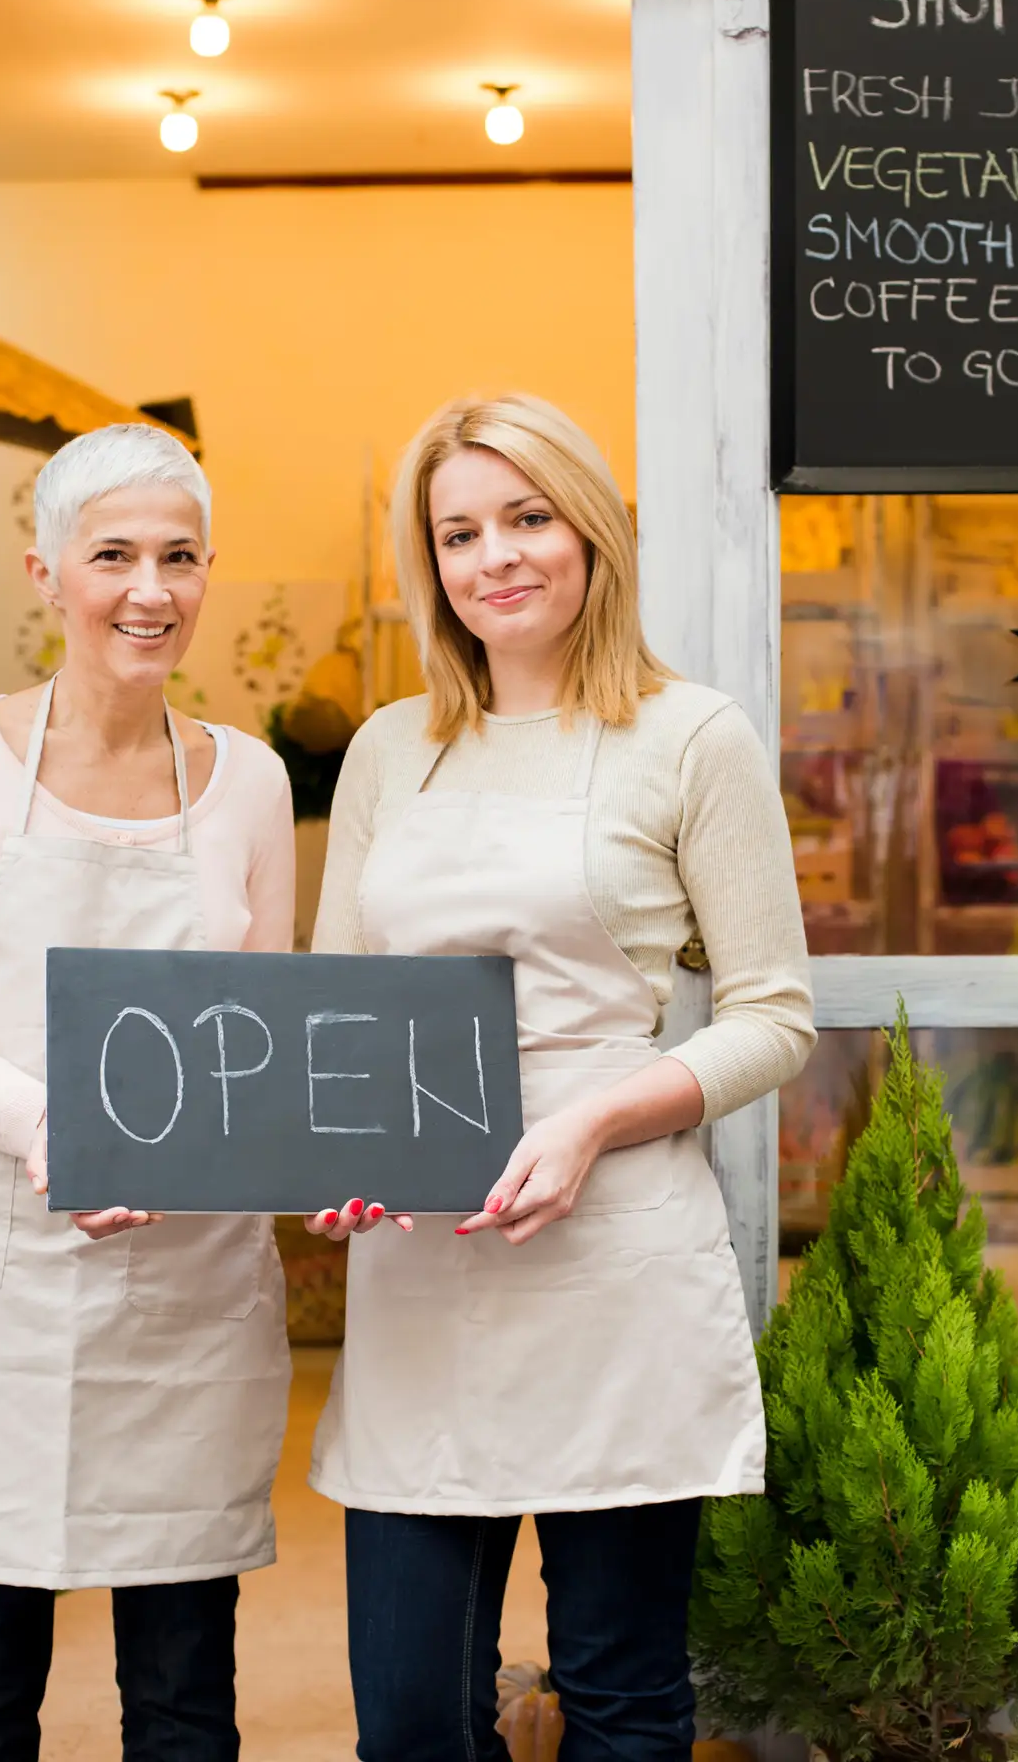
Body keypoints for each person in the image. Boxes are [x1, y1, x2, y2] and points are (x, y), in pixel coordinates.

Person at [305, 394, 816, 1762]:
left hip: (618, 1272)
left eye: (528, 517)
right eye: (459, 531)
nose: (498, 557)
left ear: (591, 532)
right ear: (433, 565)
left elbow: (774, 1016)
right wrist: (332, 1149)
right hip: (424, 1277)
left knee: (625, 1702)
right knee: (411, 1722)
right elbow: (336, 1015)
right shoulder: (387, 750)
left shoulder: (689, 737)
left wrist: (594, 1117)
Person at [0, 423, 295, 1760]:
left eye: (179, 556)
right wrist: (63, 1135)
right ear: (44, 573)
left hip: (188, 1293)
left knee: (181, 1699)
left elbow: (251, 1039)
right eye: (113, 556)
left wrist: (315, 1155)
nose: (149, 588)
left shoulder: (249, 782)